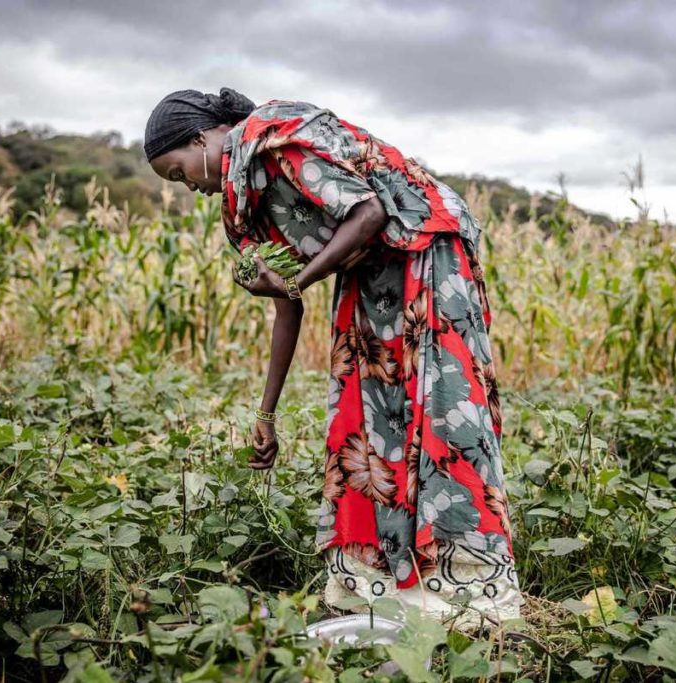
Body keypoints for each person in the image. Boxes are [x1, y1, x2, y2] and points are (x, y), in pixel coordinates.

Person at [145, 87, 524, 631]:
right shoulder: (242, 207)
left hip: (427, 247)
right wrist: (266, 414)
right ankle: (379, 583)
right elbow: (286, 306)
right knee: (366, 415)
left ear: (203, 139)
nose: (191, 188)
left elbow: (369, 211)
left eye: (180, 172)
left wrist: (299, 278)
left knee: (440, 408)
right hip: (368, 269)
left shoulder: (273, 144)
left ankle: (465, 589)